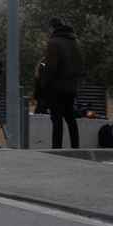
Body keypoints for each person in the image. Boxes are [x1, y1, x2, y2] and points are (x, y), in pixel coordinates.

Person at [40, 18, 83, 149]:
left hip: (56, 88)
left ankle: (57, 149)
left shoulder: (54, 43)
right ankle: (76, 147)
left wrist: (44, 84)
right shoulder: (75, 42)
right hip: (71, 87)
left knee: (57, 119)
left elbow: (51, 68)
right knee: (70, 118)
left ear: (52, 28)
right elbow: (80, 64)